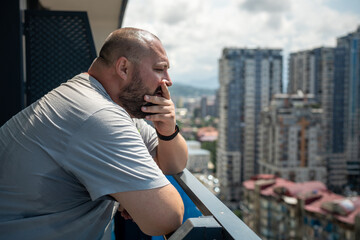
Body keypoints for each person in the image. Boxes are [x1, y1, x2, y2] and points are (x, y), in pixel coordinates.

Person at [0, 27, 188, 239]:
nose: (168, 80)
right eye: (160, 69)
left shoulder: (97, 99)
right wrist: (127, 195)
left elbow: (173, 164)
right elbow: (166, 218)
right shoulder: (98, 114)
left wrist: (167, 131)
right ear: (123, 68)